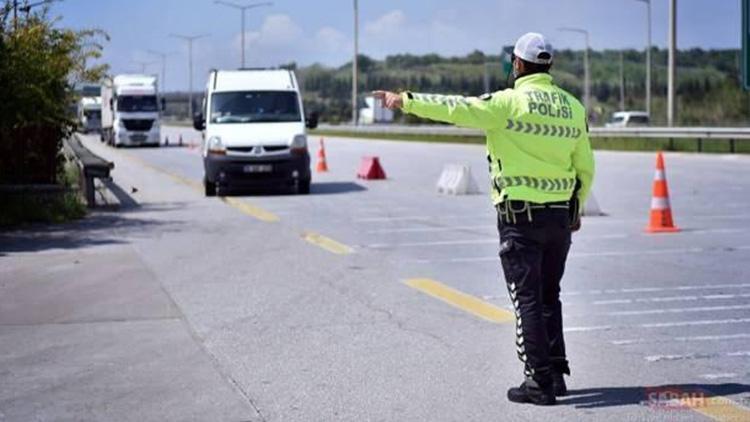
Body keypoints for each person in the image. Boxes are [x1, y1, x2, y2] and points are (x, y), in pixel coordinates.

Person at [374, 32, 595, 406]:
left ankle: (538, 382)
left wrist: (405, 100)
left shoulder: (506, 103)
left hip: (520, 218)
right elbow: (584, 167)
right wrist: (577, 207)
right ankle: (555, 373)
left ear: (517, 64)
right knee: (548, 295)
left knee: (526, 298)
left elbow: (455, 108)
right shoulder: (572, 107)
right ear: (549, 66)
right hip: (559, 217)